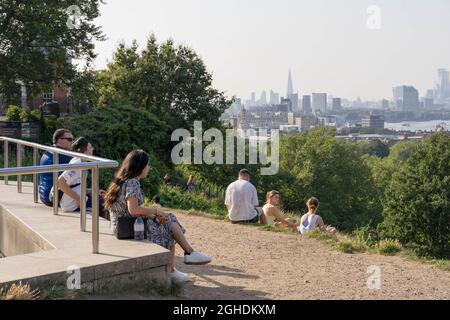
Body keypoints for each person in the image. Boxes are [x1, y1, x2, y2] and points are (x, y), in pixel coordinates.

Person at [104, 150, 211, 283]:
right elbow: (133, 209)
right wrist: (156, 212)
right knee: (169, 226)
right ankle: (182, 260)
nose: (149, 168)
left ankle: (186, 256)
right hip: (129, 228)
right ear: (140, 166)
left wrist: (154, 218)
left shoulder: (121, 180)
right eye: (147, 165)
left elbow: (129, 211)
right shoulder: (133, 182)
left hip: (122, 226)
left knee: (167, 220)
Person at [51, 137, 106, 216]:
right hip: (71, 204)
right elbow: (60, 182)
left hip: (75, 199)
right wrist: (78, 199)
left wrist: (92, 191)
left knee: (102, 196)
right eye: (90, 147)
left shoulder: (78, 160)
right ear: (84, 150)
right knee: (104, 202)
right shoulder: (78, 163)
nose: (93, 149)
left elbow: (75, 184)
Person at [39, 129, 74, 206]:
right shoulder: (62, 156)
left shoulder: (48, 152)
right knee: (97, 201)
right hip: (53, 197)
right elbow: (66, 182)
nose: (72, 142)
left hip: (44, 194)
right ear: (59, 140)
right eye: (69, 139)